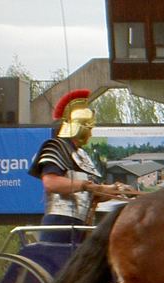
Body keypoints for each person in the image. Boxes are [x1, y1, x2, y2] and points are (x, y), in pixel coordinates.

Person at [28, 89, 123, 243]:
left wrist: (116, 190)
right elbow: (50, 183)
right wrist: (84, 185)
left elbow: (94, 193)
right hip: (60, 222)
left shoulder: (83, 156)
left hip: (81, 224)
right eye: (89, 129)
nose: (91, 134)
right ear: (79, 127)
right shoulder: (56, 146)